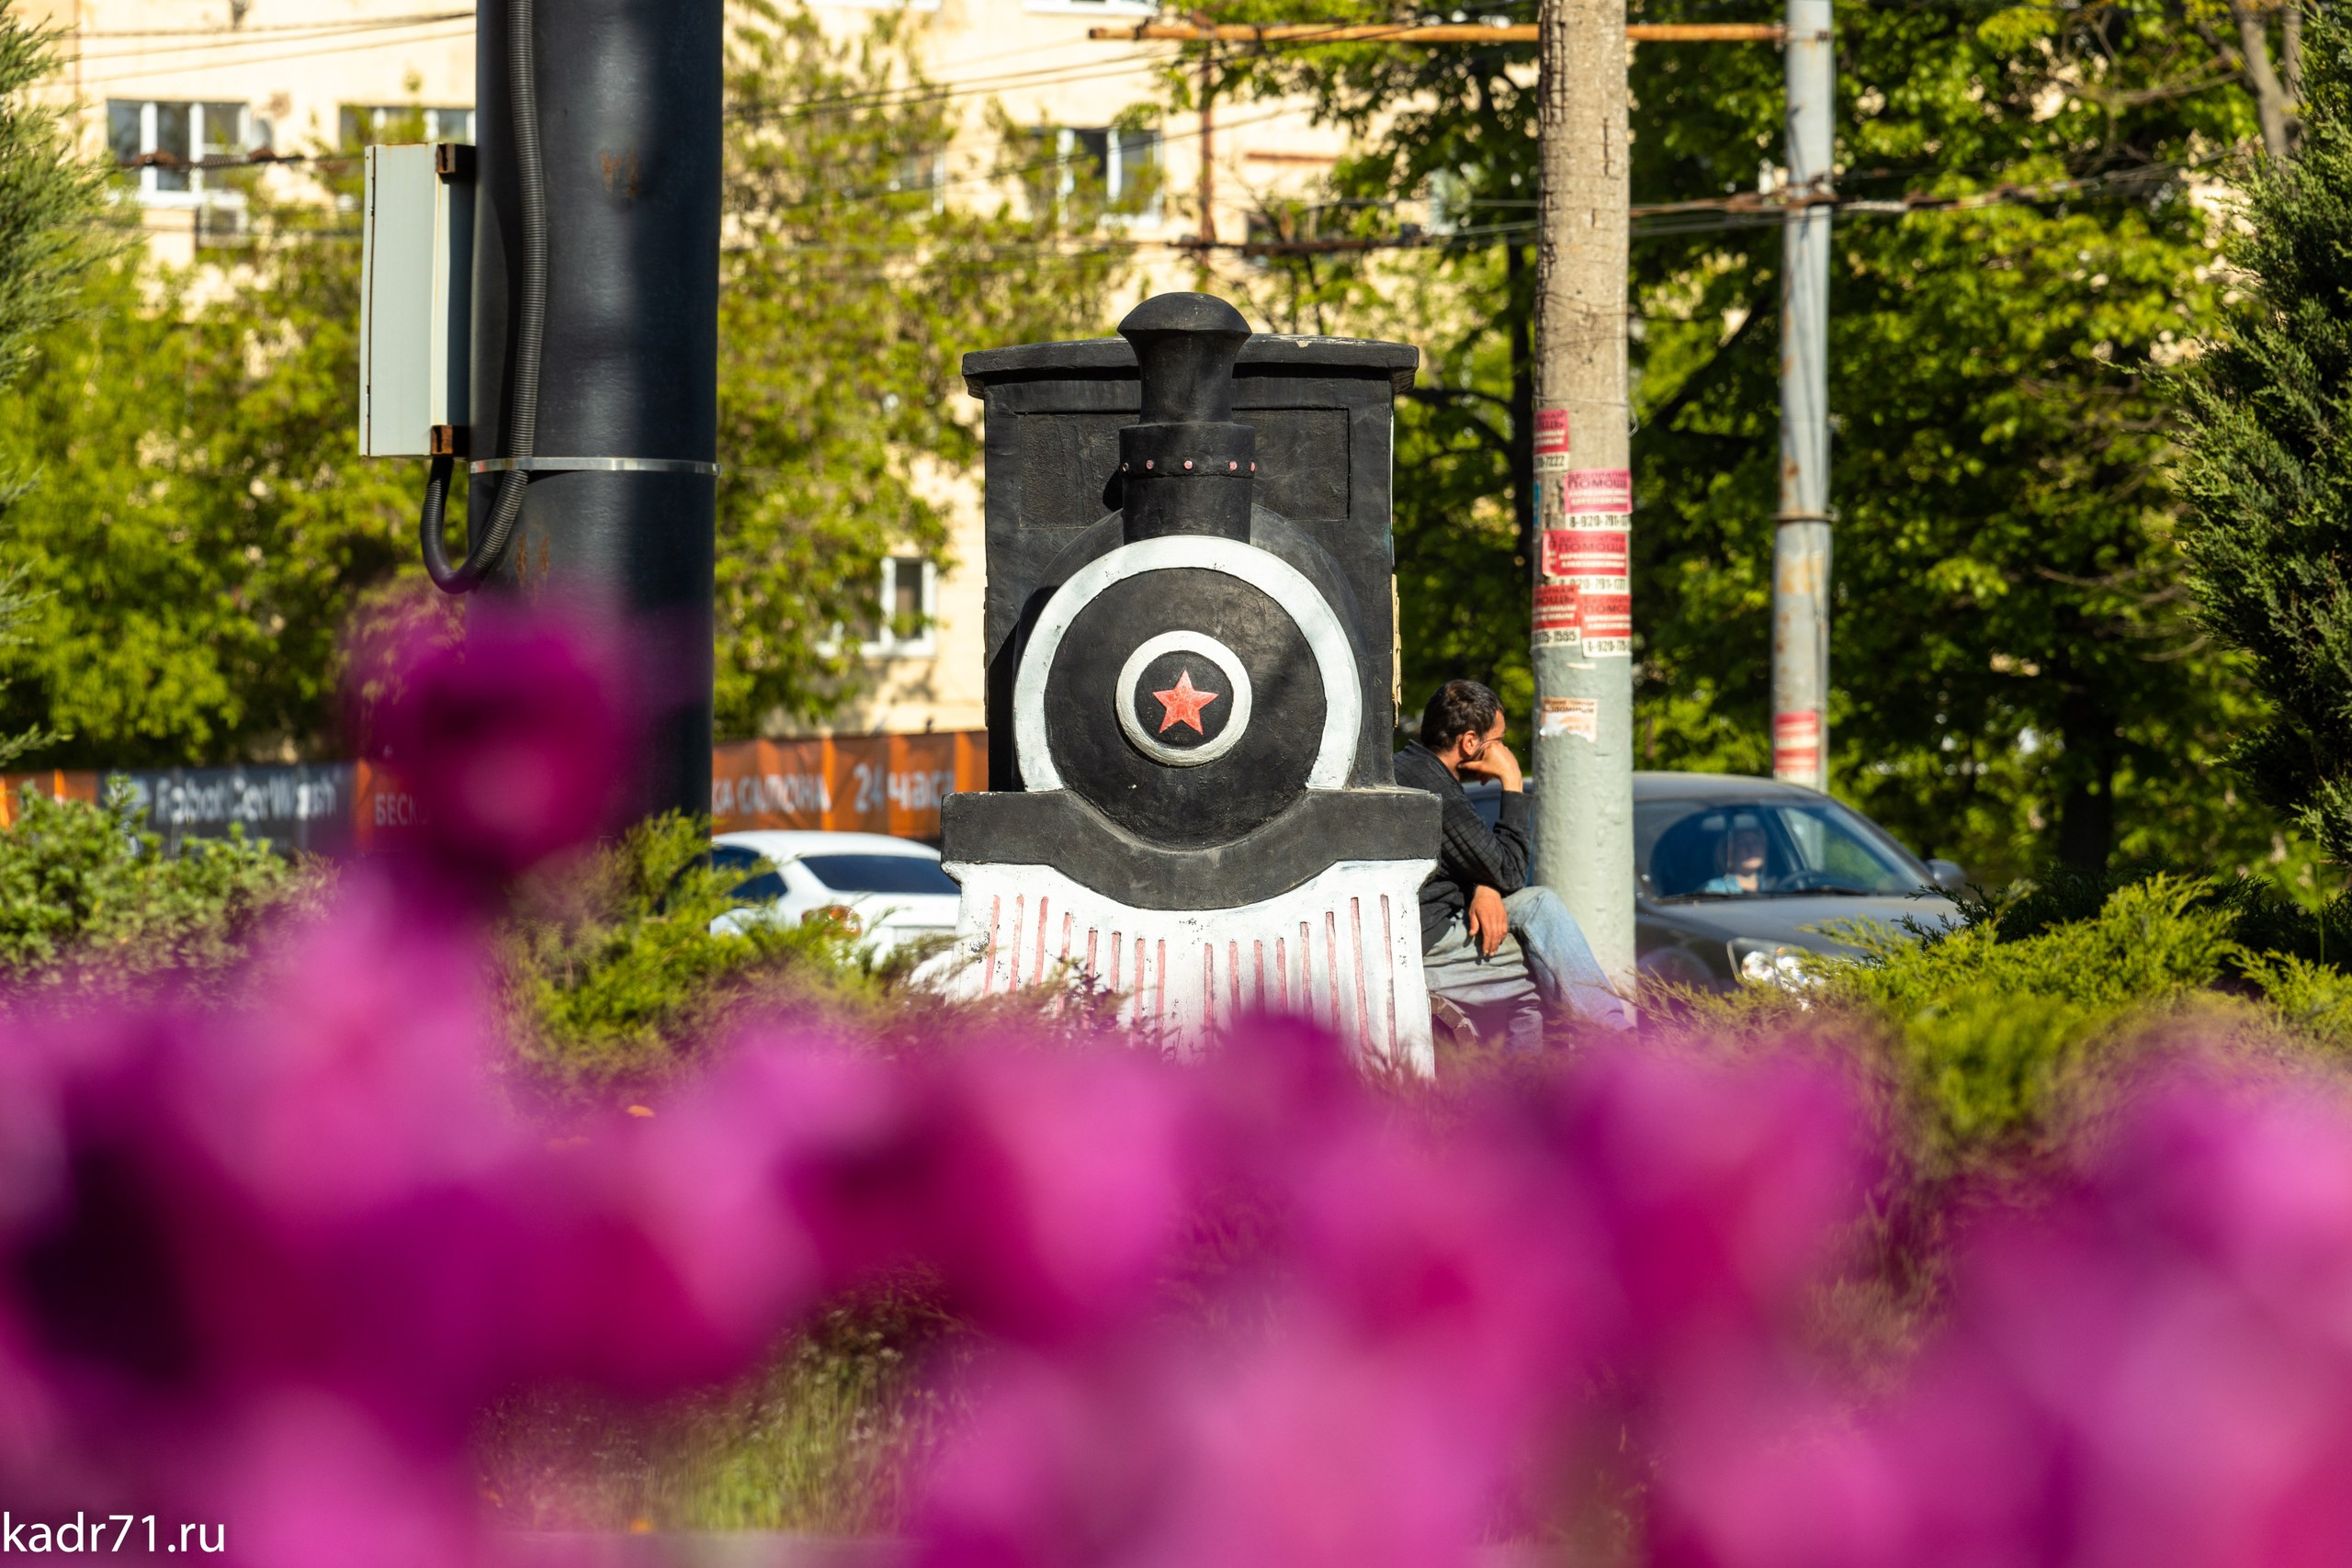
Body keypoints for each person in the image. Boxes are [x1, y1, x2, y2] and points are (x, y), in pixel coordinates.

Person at [1394, 679, 1633, 1051]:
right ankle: (1619, 1044)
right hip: (1427, 943)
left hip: (1425, 927)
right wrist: (1512, 780)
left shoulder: (1414, 769)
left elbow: (1472, 861)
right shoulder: (1437, 793)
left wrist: (1483, 887)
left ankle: (1536, 1081)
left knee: (1542, 937)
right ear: (1470, 742)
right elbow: (1510, 871)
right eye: (1499, 741)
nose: (1504, 750)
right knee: (1541, 950)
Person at [1700, 820, 1771, 894]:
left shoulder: (1776, 888)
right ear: (1727, 853)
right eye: (1742, 844)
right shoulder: (1714, 890)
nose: (1751, 849)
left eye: (1755, 843)